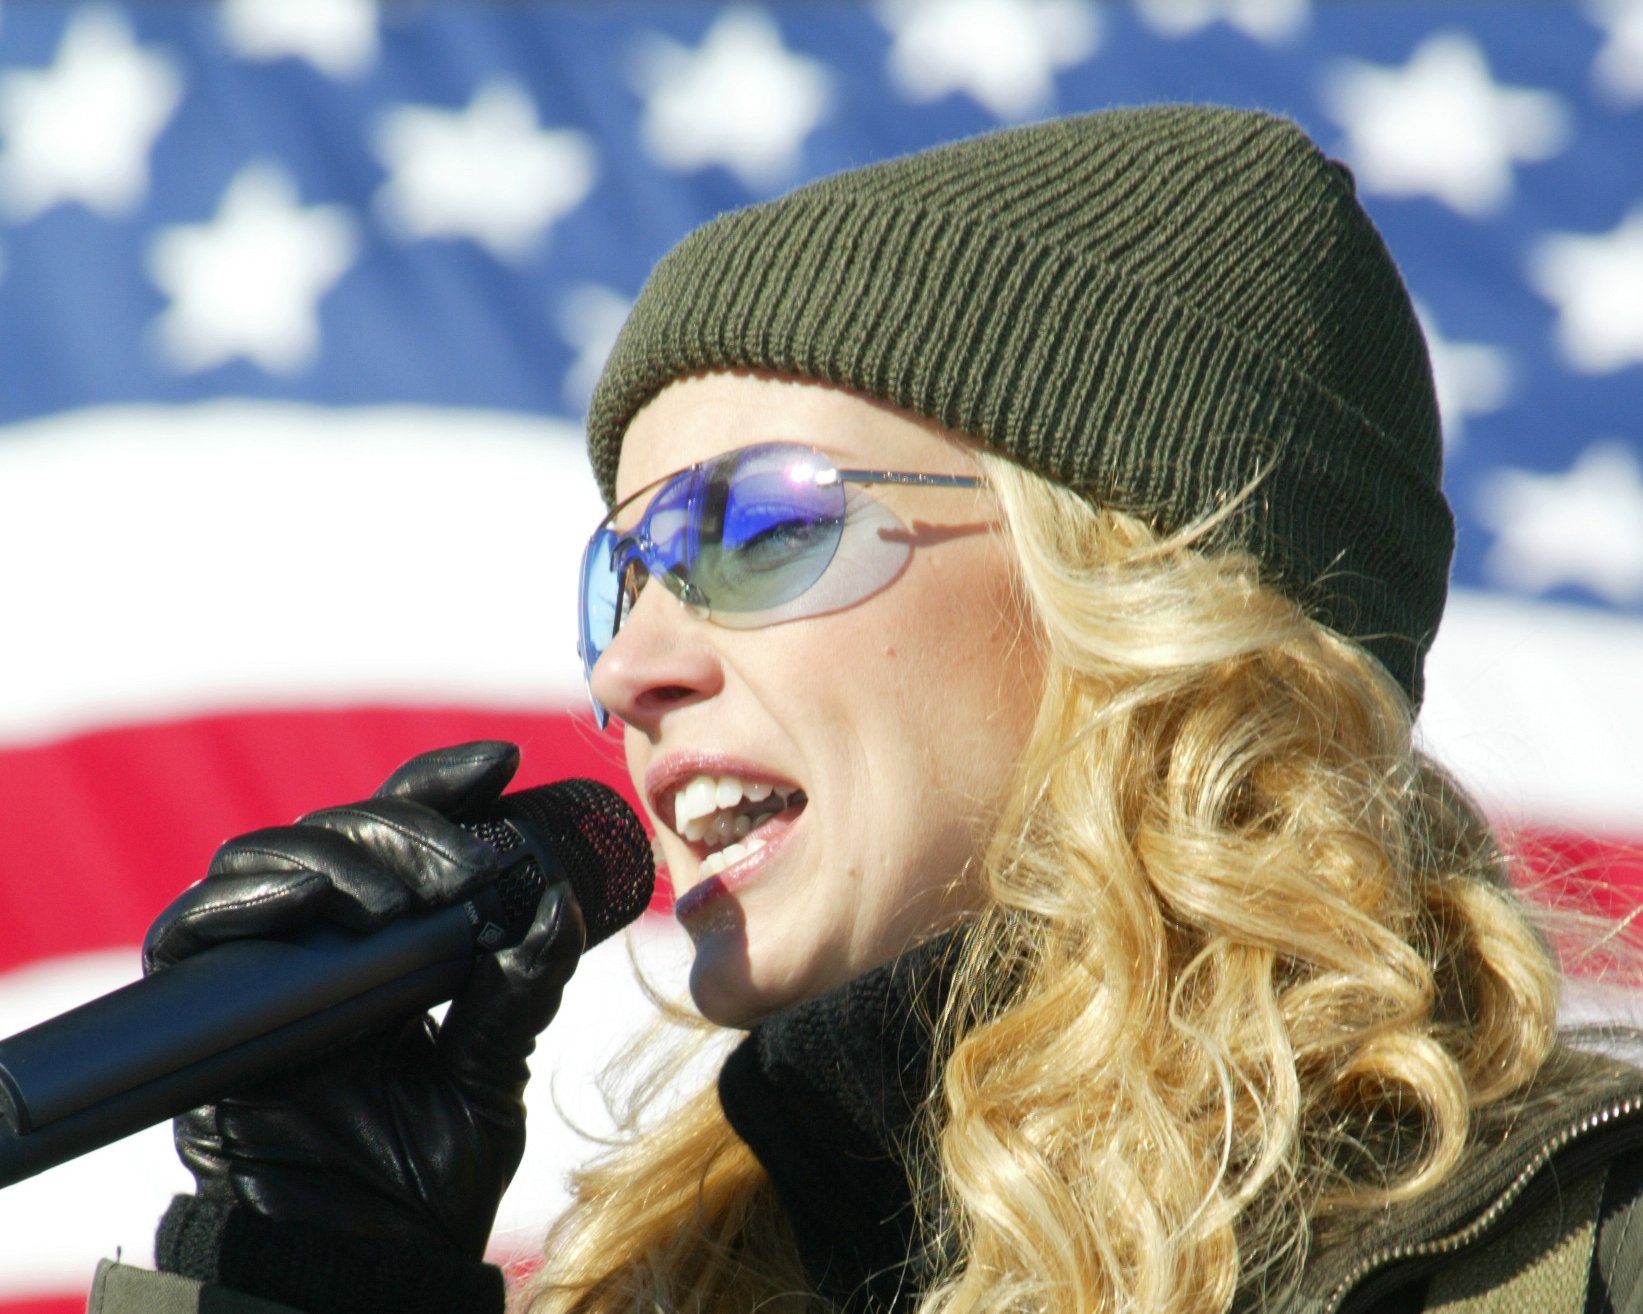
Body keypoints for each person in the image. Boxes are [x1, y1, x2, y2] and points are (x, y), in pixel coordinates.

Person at [91, 104, 1643, 1314]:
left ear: (1137, 591)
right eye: (624, 578)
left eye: (761, 529)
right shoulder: (662, 1282)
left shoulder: (1582, 1254)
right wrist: (315, 1270)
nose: (631, 671)